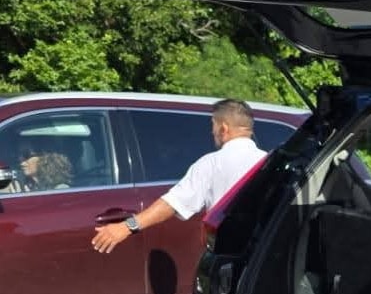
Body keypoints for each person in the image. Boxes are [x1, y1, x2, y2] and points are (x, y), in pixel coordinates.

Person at [92, 99, 266, 254]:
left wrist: (126, 227)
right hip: (265, 255)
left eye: (212, 125)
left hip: (228, 255)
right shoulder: (271, 163)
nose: (211, 132)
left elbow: (173, 203)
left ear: (223, 128)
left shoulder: (211, 163)